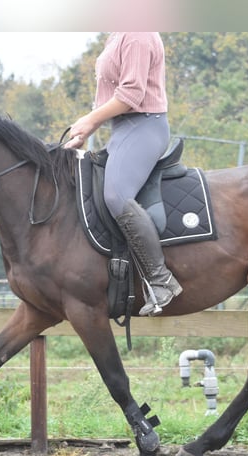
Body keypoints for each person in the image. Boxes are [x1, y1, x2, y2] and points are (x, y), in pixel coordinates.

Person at [64, 32, 182, 316]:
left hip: (144, 126)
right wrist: (86, 130)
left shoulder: (138, 34)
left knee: (116, 195)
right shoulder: (117, 33)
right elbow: (110, 93)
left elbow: (131, 94)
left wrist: (90, 120)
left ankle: (161, 280)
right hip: (123, 129)